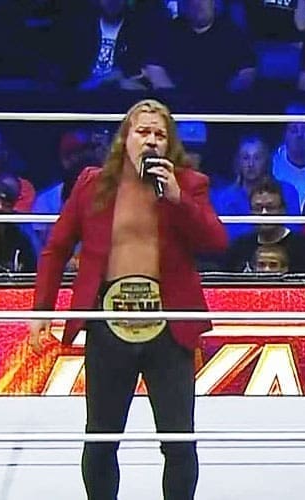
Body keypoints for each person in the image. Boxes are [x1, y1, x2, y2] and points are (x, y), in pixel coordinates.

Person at [27, 99, 228, 500]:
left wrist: (178, 198)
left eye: (160, 134)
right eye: (143, 131)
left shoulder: (189, 184)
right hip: (108, 322)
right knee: (101, 438)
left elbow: (216, 242)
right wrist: (42, 310)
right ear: (125, 138)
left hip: (168, 326)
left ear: (169, 144)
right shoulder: (92, 184)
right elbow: (56, 249)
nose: (151, 140)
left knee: (178, 441)